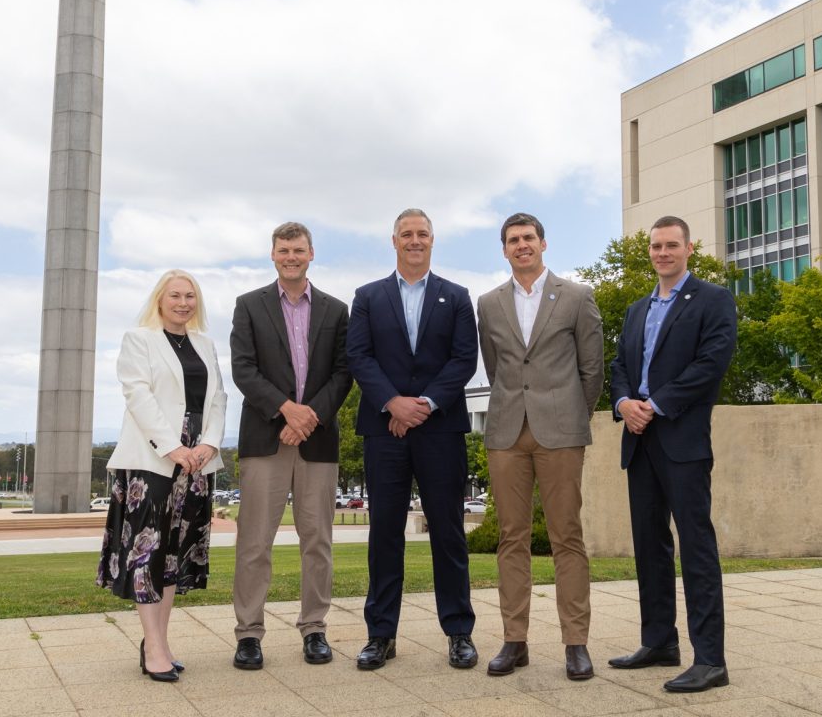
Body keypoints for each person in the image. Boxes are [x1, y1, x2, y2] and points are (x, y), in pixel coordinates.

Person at [608, 216, 737, 694]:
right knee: (650, 546)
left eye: (671, 245)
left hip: (681, 439)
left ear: (688, 249)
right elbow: (620, 364)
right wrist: (624, 404)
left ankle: (711, 660)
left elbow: (711, 364)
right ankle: (659, 641)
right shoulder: (636, 309)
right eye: (656, 246)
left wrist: (655, 405)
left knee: (696, 547)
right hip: (638, 439)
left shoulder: (713, 299)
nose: (662, 253)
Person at [346, 208, 478, 671]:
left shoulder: (457, 297)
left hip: (440, 429)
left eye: (422, 233)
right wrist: (393, 403)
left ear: (433, 240)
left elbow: (464, 361)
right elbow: (359, 357)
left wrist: (421, 404)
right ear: (394, 241)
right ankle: (381, 635)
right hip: (383, 431)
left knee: (448, 532)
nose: (415, 240)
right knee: (384, 535)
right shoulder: (367, 296)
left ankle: (459, 632)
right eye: (407, 234)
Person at [476, 213, 603, 682]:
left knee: (566, 536)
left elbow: (593, 370)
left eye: (529, 238)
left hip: (562, 432)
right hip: (507, 432)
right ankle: (515, 641)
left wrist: (571, 414)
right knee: (512, 538)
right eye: (513, 240)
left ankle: (576, 643)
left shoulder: (577, 297)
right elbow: (495, 368)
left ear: (543, 244)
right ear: (504, 249)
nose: (522, 246)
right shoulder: (488, 304)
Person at [229, 221, 353, 670]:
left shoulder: (338, 311)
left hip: (316, 440)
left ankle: (315, 628)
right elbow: (243, 370)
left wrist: (308, 417)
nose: (291, 257)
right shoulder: (248, 306)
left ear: (312, 253)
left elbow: (344, 373)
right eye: (284, 250)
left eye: (298, 250)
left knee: (318, 540)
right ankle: (248, 634)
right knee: (254, 543)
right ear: (273, 254)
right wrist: (286, 410)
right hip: (266, 439)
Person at [98, 269, 228, 682]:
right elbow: (138, 395)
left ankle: (160, 641)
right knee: (147, 554)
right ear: (160, 299)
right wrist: (172, 448)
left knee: (174, 552)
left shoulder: (206, 344)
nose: (183, 302)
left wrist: (208, 444)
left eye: (190, 296)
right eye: (175, 295)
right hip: (153, 458)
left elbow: (219, 398)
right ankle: (152, 645)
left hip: (197, 459)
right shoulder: (139, 339)